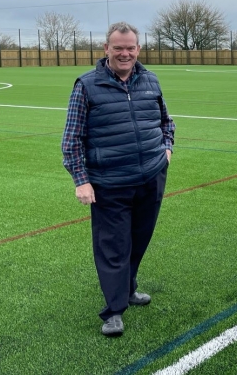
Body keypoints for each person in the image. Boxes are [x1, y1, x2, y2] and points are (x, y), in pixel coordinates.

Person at [61, 22, 175, 337]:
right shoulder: (87, 85)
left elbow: (167, 121)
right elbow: (72, 139)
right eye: (118, 48)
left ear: (138, 49)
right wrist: (80, 180)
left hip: (151, 177)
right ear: (106, 49)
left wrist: (166, 148)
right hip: (109, 183)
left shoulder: (150, 80)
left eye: (130, 48)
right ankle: (113, 310)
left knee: (138, 241)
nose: (125, 53)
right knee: (114, 247)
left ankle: (128, 288)